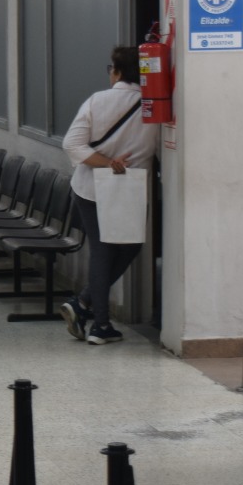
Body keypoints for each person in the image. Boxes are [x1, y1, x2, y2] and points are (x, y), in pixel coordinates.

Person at [58, 46, 155, 346]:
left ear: (117, 71)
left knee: (106, 250)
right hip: (131, 188)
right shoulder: (154, 107)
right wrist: (114, 163)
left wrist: (106, 163)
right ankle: (99, 322)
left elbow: (72, 144)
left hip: (90, 188)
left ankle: (86, 307)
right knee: (127, 247)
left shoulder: (97, 101)